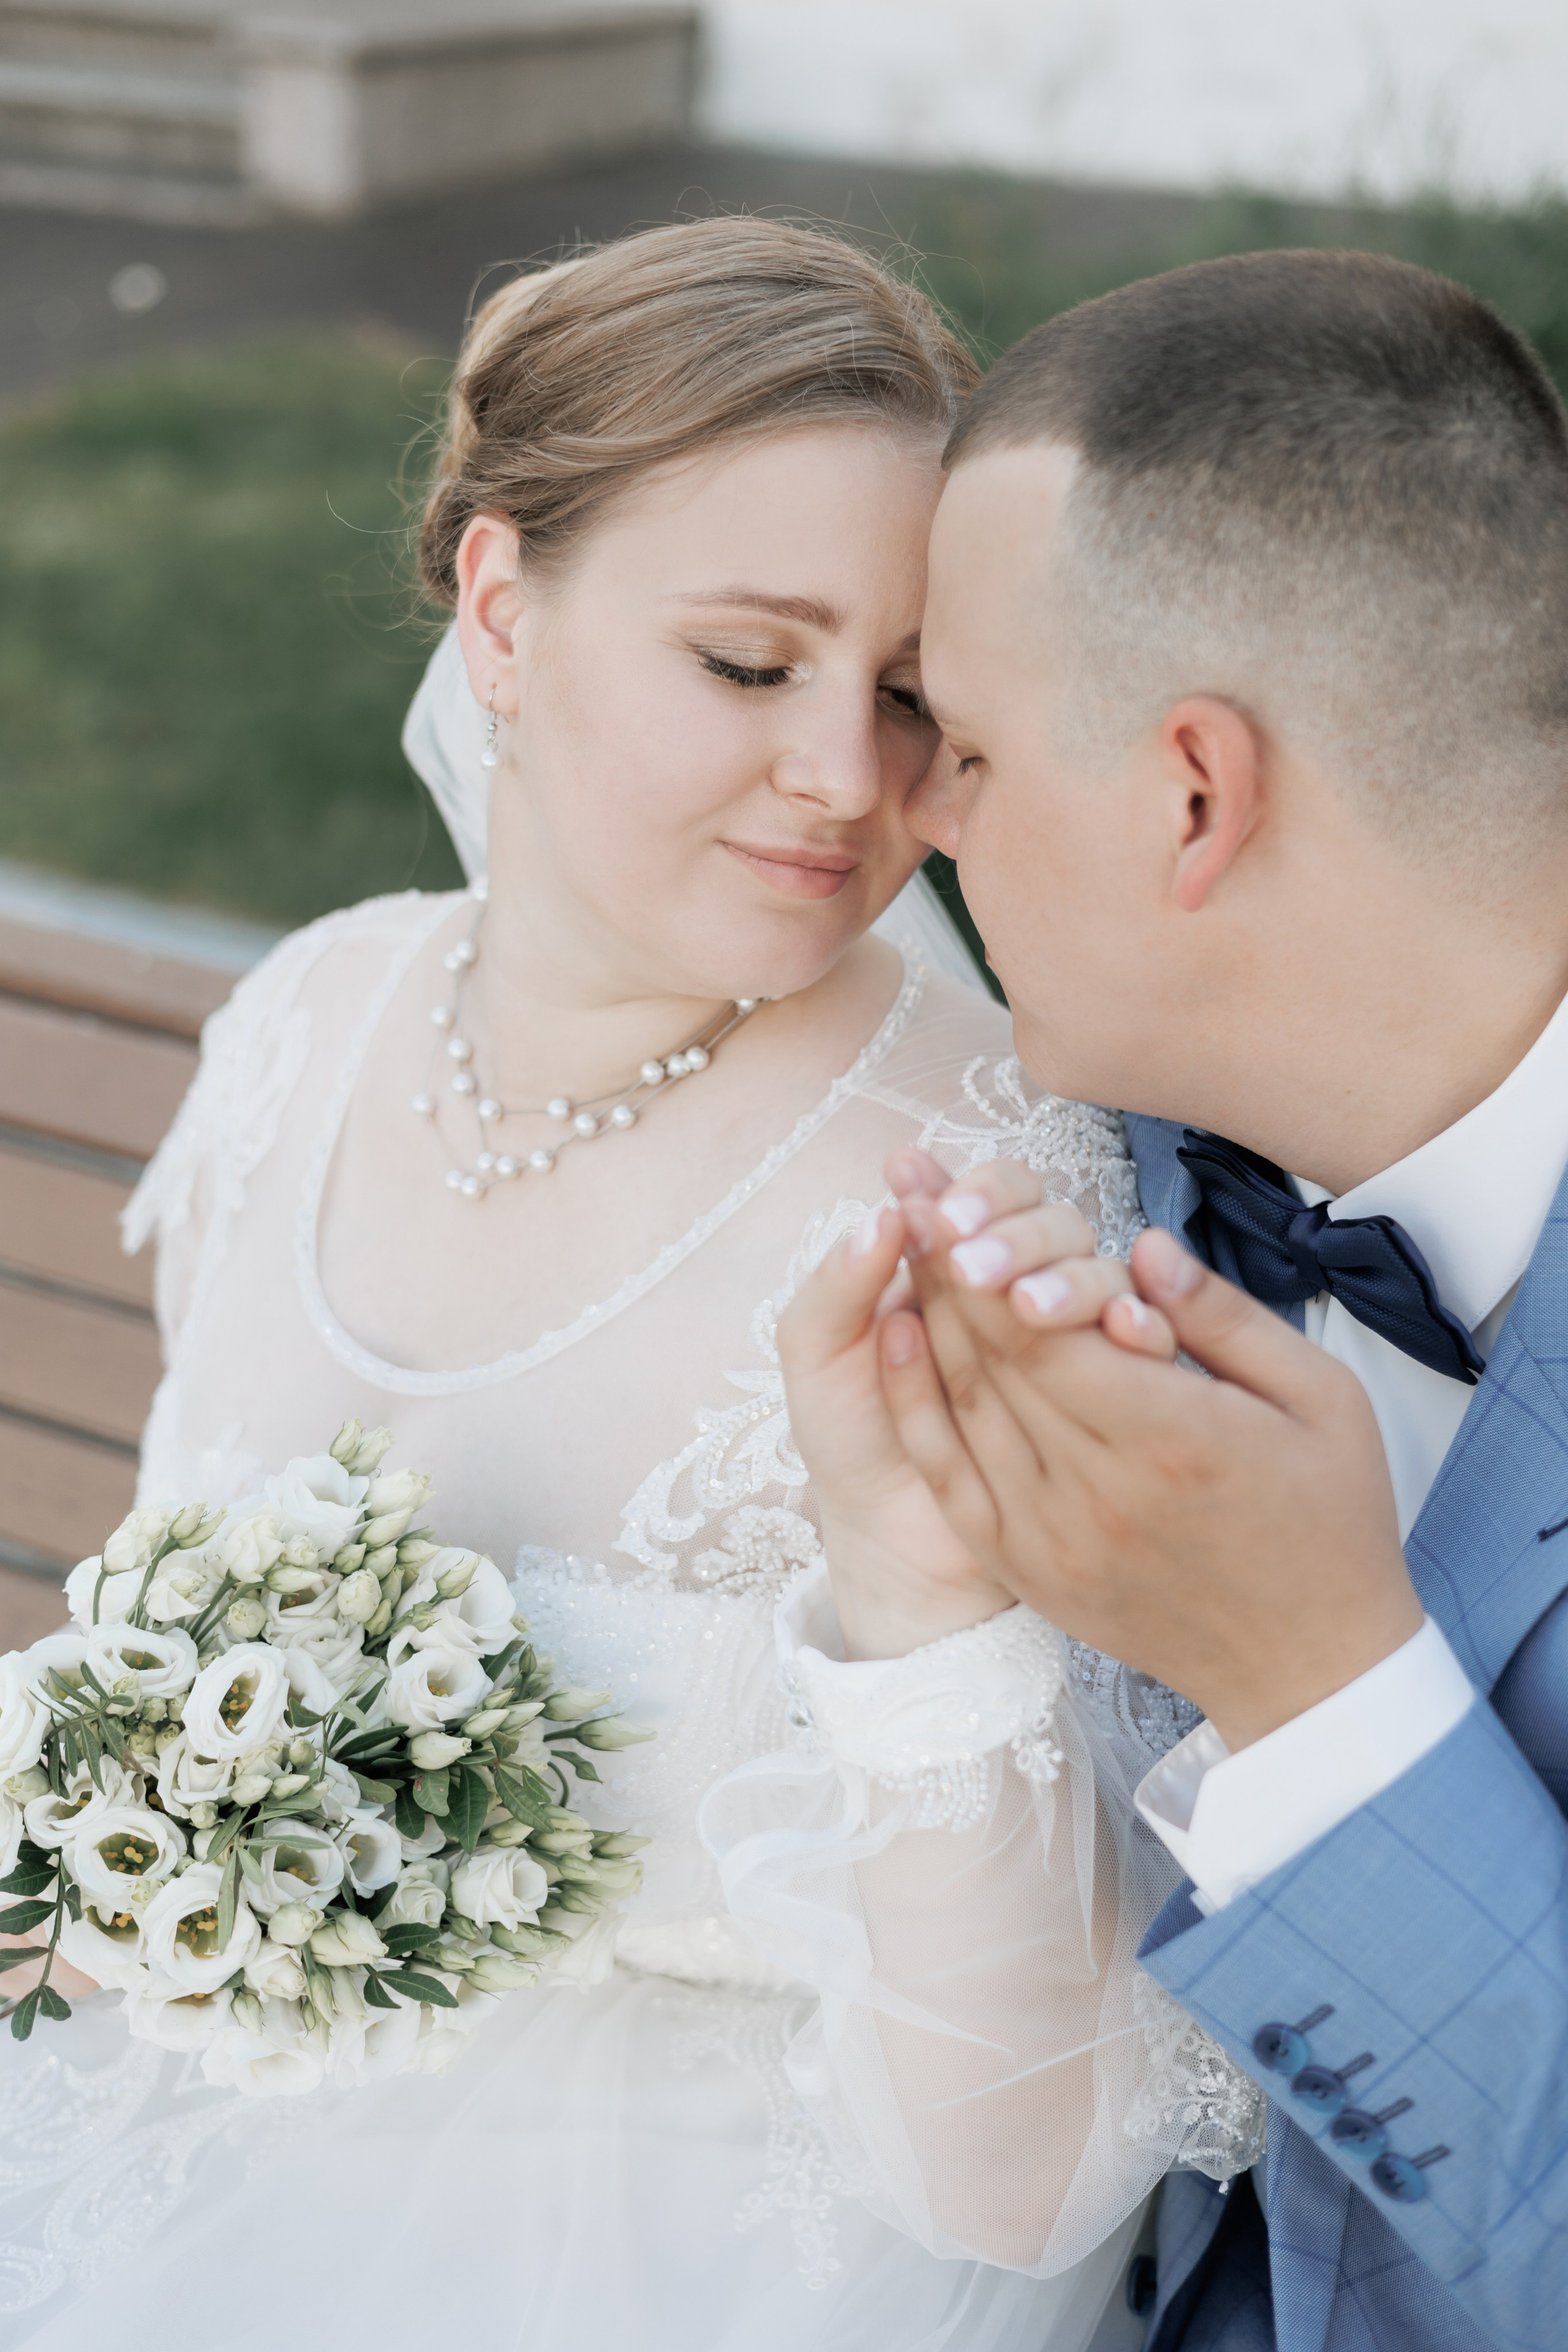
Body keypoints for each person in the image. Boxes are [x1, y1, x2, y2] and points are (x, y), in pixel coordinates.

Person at [0, 218, 1253, 2351]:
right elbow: (149, 1628)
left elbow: (1040, 2165)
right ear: (501, 607)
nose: (851, 783)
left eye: (911, 697)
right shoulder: (310, 1029)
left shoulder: (984, 1204)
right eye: (752, 665)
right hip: (193, 2160)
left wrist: (919, 1601)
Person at [769, 249, 1568, 2350]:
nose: (906, 810)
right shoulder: (1066, 1196)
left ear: (1195, 797)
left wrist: (1319, 1689)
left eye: (971, 747)